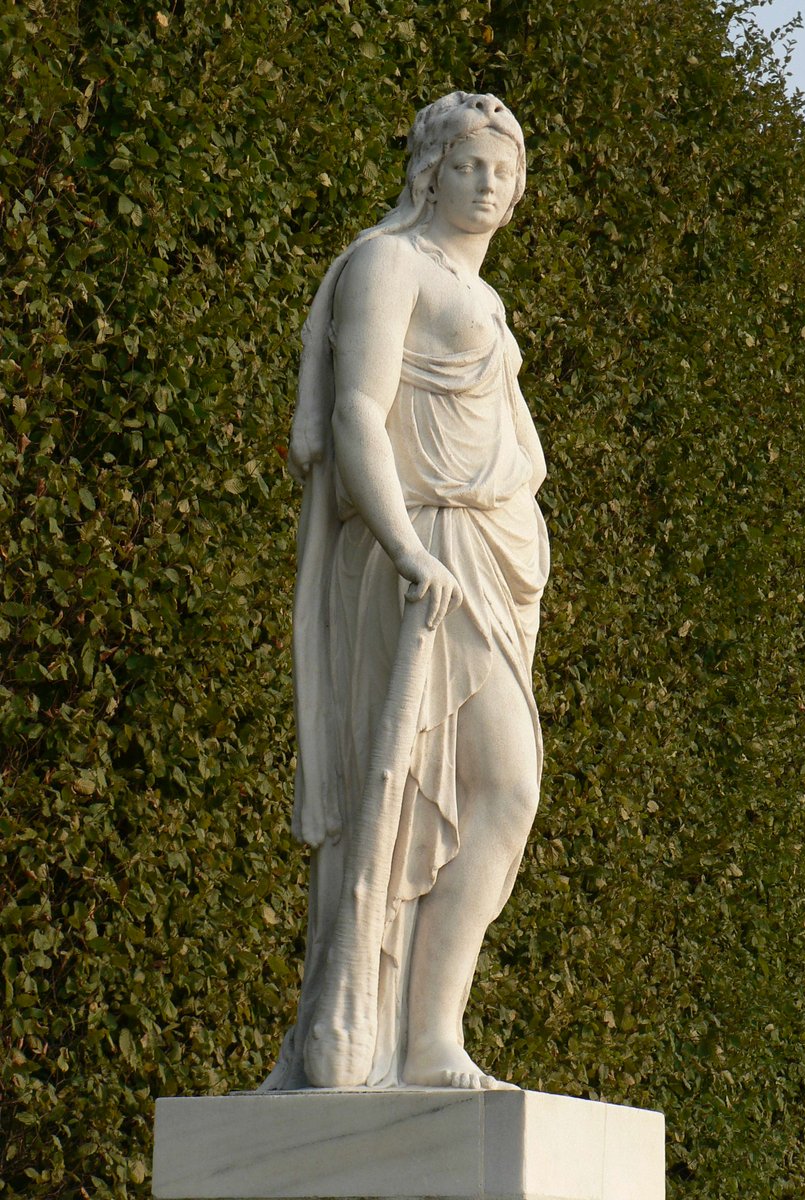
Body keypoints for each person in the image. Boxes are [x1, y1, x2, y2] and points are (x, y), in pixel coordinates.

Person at [261, 91, 549, 1092]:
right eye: (469, 164)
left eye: (504, 170)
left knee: (494, 797)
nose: (489, 184)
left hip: (489, 556)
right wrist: (404, 547)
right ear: (429, 170)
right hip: (419, 550)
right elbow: (356, 412)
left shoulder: (483, 296)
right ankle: (412, 1039)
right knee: (493, 785)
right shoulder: (387, 264)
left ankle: (430, 1035)